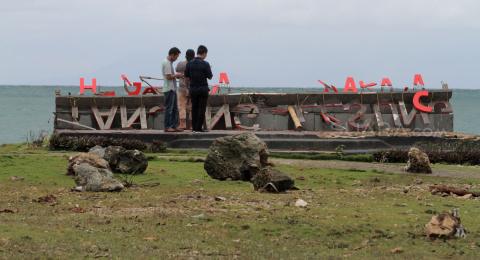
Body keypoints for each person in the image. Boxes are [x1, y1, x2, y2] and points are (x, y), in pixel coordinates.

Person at [184, 45, 213, 132]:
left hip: (193, 89)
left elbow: (186, 77)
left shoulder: (189, 63)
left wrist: (188, 87)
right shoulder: (205, 64)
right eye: (206, 54)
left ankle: (194, 128)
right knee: (202, 109)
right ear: (204, 53)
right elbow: (210, 77)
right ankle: (199, 128)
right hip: (203, 89)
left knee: (194, 108)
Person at [162, 47, 183, 132]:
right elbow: (168, 76)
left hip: (172, 88)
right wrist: (177, 75)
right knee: (169, 109)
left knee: (174, 109)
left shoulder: (169, 63)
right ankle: (168, 126)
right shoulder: (166, 63)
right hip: (169, 89)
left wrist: (176, 75)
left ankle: (174, 126)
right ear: (172, 55)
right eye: (176, 56)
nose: (176, 58)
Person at [175, 49, 195, 130]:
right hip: (192, 88)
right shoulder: (195, 64)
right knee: (192, 107)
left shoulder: (181, 64)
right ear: (194, 56)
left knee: (181, 106)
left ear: (186, 56)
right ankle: (191, 125)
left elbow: (176, 70)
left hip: (182, 88)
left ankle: (182, 124)